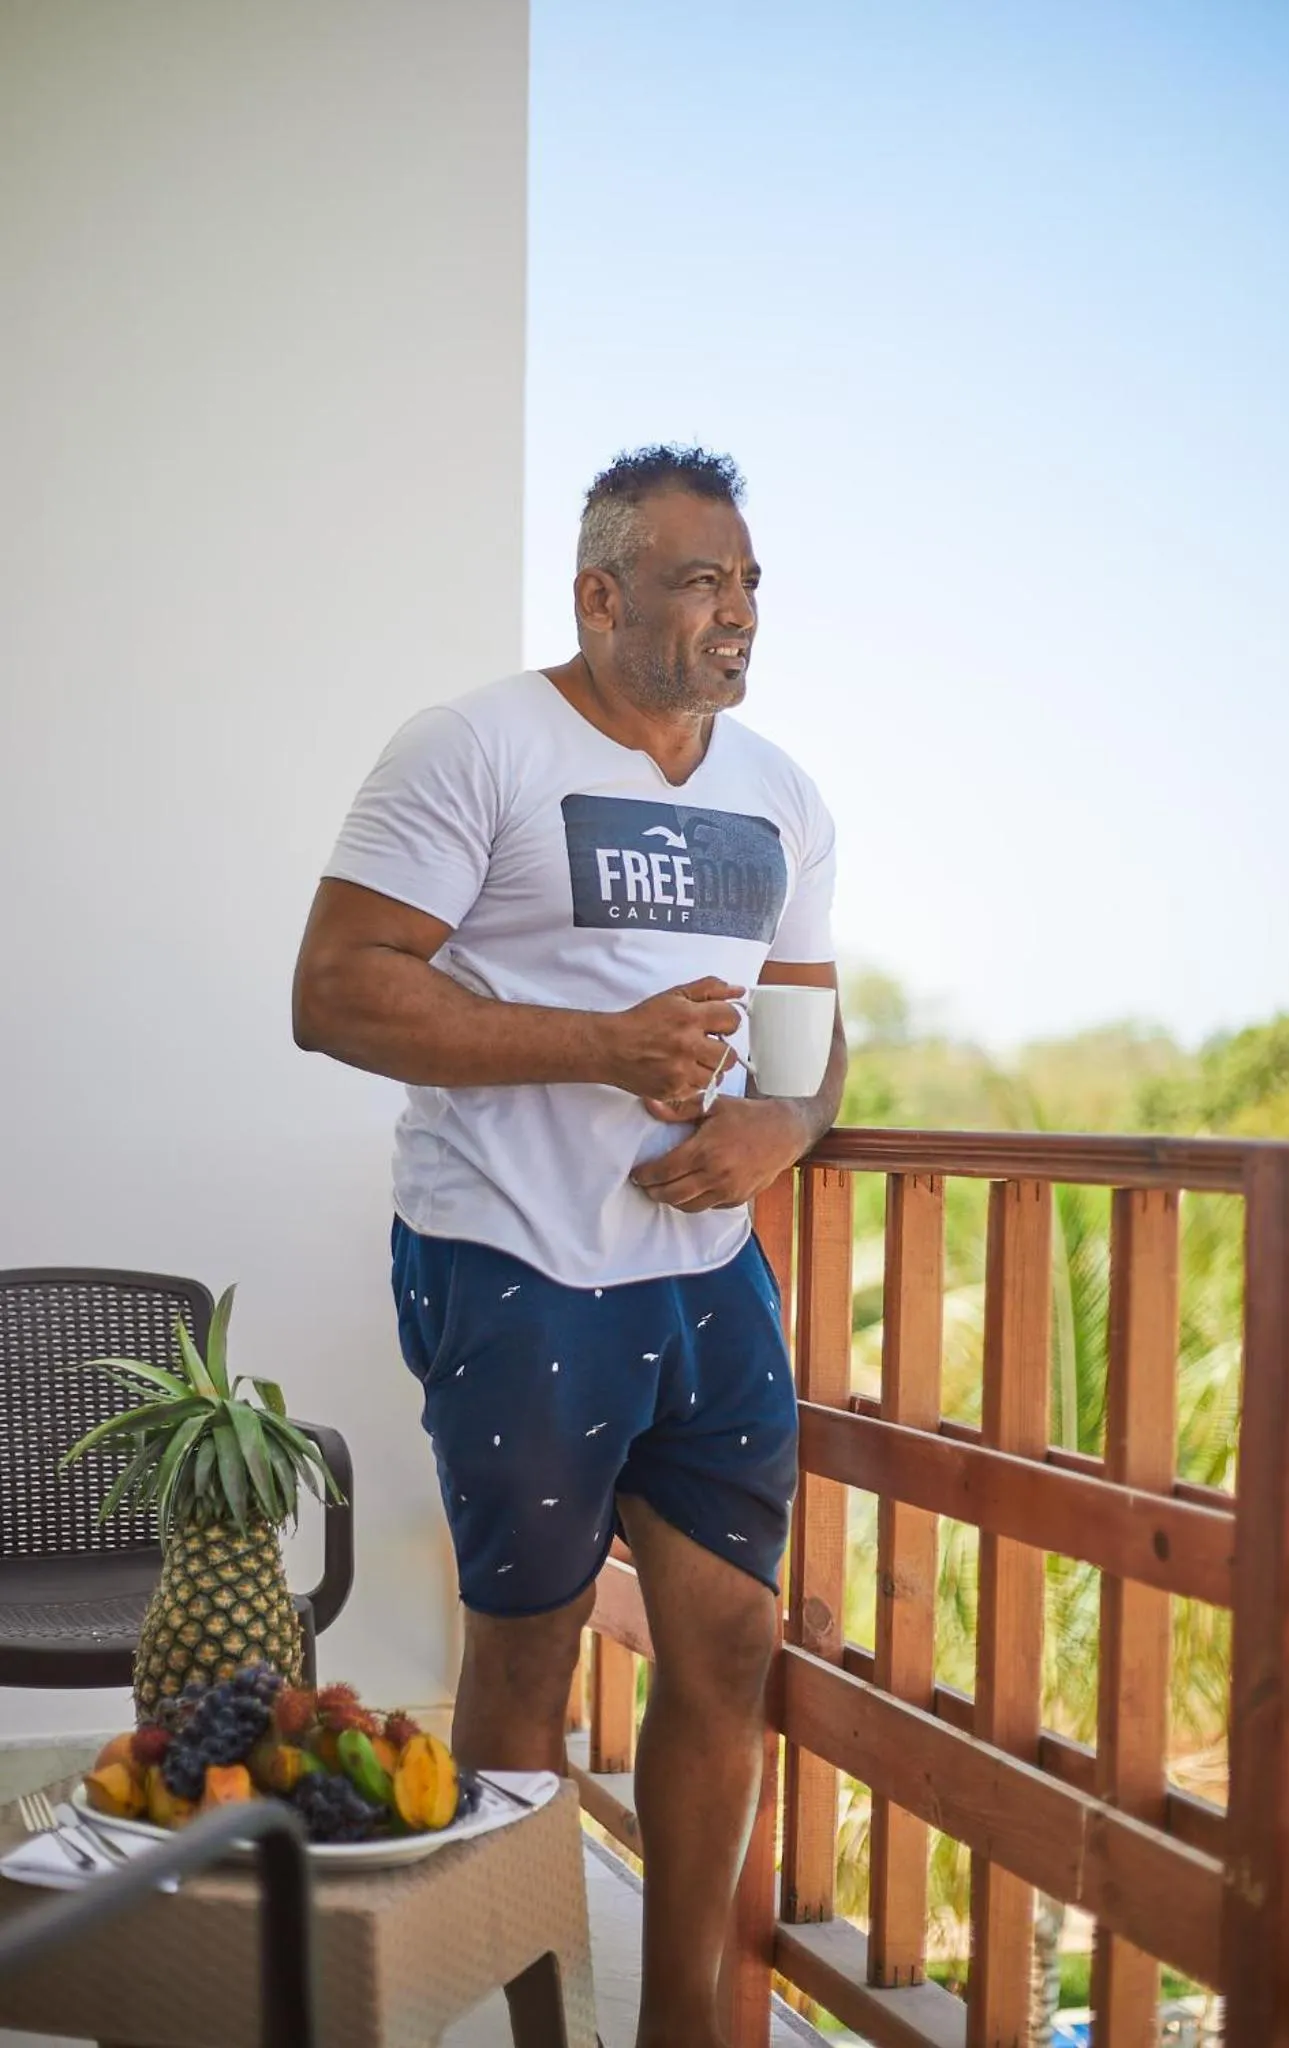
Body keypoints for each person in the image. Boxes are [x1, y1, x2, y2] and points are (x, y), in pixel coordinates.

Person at [292, 445, 845, 2048]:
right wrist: (604, 1047)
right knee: (527, 1660)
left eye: (749, 582)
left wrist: (789, 1129)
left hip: (708, 1279)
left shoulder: (783, 793)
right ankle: (532, 2021)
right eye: (699, 581)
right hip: (516, 1267)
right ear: (600, 595)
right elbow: (335, 990)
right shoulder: (474, 747)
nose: (737, 613)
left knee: (729, 1643)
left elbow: (814, 1036)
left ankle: (682, 2028)